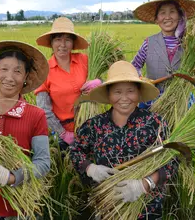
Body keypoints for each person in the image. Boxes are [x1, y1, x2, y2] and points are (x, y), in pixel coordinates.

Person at [70, 61, 178, 219]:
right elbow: (75, 151)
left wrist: (145, 184)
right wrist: (90, 168)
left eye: (130, 91)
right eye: (117, 92)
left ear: (139, 93)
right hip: (107, 207)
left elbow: (173, 158)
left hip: (146, 207)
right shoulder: (94, 125)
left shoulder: (155, 124)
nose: (124, 98)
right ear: (108, 95)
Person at [0, 40, 51, 219]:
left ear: (25, 77)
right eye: (3, 69)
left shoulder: (35, 115)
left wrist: (11, 178)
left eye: (17, 71)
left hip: (19, 208)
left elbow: (43, 163)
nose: (10, 77)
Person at [34, 17, 101, 150]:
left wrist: (99, 82)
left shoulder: (85, 60)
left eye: (67, 40)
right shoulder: (43, 70)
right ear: (52, 42)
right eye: (58, 39)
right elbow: (44, 109)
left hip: (91, 124)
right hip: (63, 130)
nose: (63, 45)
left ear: (73, 43)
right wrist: (63, 133)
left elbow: (109, 83)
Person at [132, 0, 195, 109]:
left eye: (172, 11)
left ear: (180, 16)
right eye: (162, 13)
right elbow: (134, 66)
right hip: (152, 101)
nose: (167, 17)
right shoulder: (148, 43)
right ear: (156, 19)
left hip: (182, 101)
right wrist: (141, 80)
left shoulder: (190, 44)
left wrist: (194, 77)